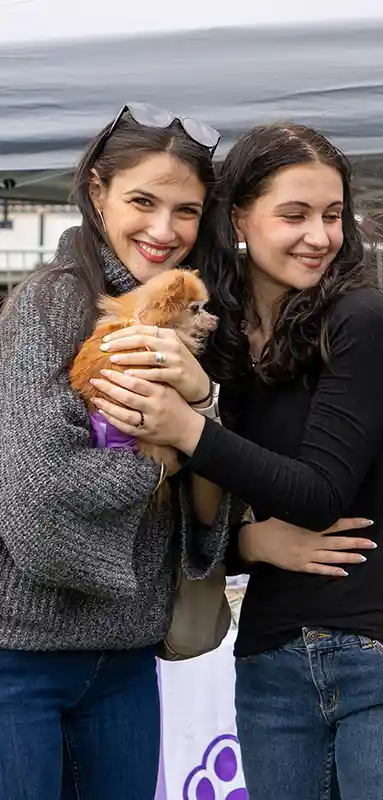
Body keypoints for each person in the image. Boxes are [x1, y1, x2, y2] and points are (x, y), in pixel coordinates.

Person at [94, 121, 383, 799]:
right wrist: (245, 542)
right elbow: (189, 510)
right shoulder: (209, 324)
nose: (319, 236)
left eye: (332, 215)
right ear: (239, 214)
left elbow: (320, 492)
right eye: (293, 214)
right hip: (272, 655)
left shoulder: (360, 316)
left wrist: (187, 423)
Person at [0, 104, 233, 798]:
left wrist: (201, 411)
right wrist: (171, 449)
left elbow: (212, 496)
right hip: (21, 657)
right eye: (142, 201)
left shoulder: (182, 314)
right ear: (96, 190)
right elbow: (39, 493)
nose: (164, 231)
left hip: (128, 658)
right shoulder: (50, 305)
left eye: (186, 211)